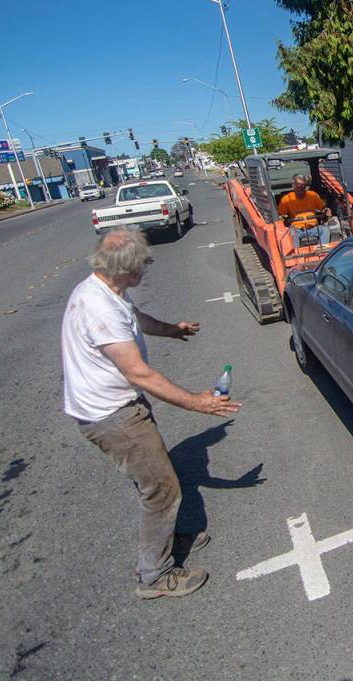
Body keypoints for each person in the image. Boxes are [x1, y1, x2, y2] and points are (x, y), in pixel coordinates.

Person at [62, 228, 242, 599]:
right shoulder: (99, 308)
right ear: (126, 269)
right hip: (113, 415)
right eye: (142, 264)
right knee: (161, 488)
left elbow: (136, 319)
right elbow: (138, 373)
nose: (145, 270)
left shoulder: (105, 292)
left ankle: (168, 539)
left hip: (115, 407)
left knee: (156, 479)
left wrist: (171, 330)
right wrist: (198, 402)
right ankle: (155, 575)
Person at [278, 174, 331, 246]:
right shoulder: (286, 199)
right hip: (296, 229)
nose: (301, 187)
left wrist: (327, 210)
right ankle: (296, 254)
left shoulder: (313, 195)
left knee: (325, 230)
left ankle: (321, 249)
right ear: (293, 185)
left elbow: (323, 208)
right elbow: (280, 215)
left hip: (313, 227)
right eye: (298, 184)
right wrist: (283, 218)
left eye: (303, 184)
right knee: (291, 233)